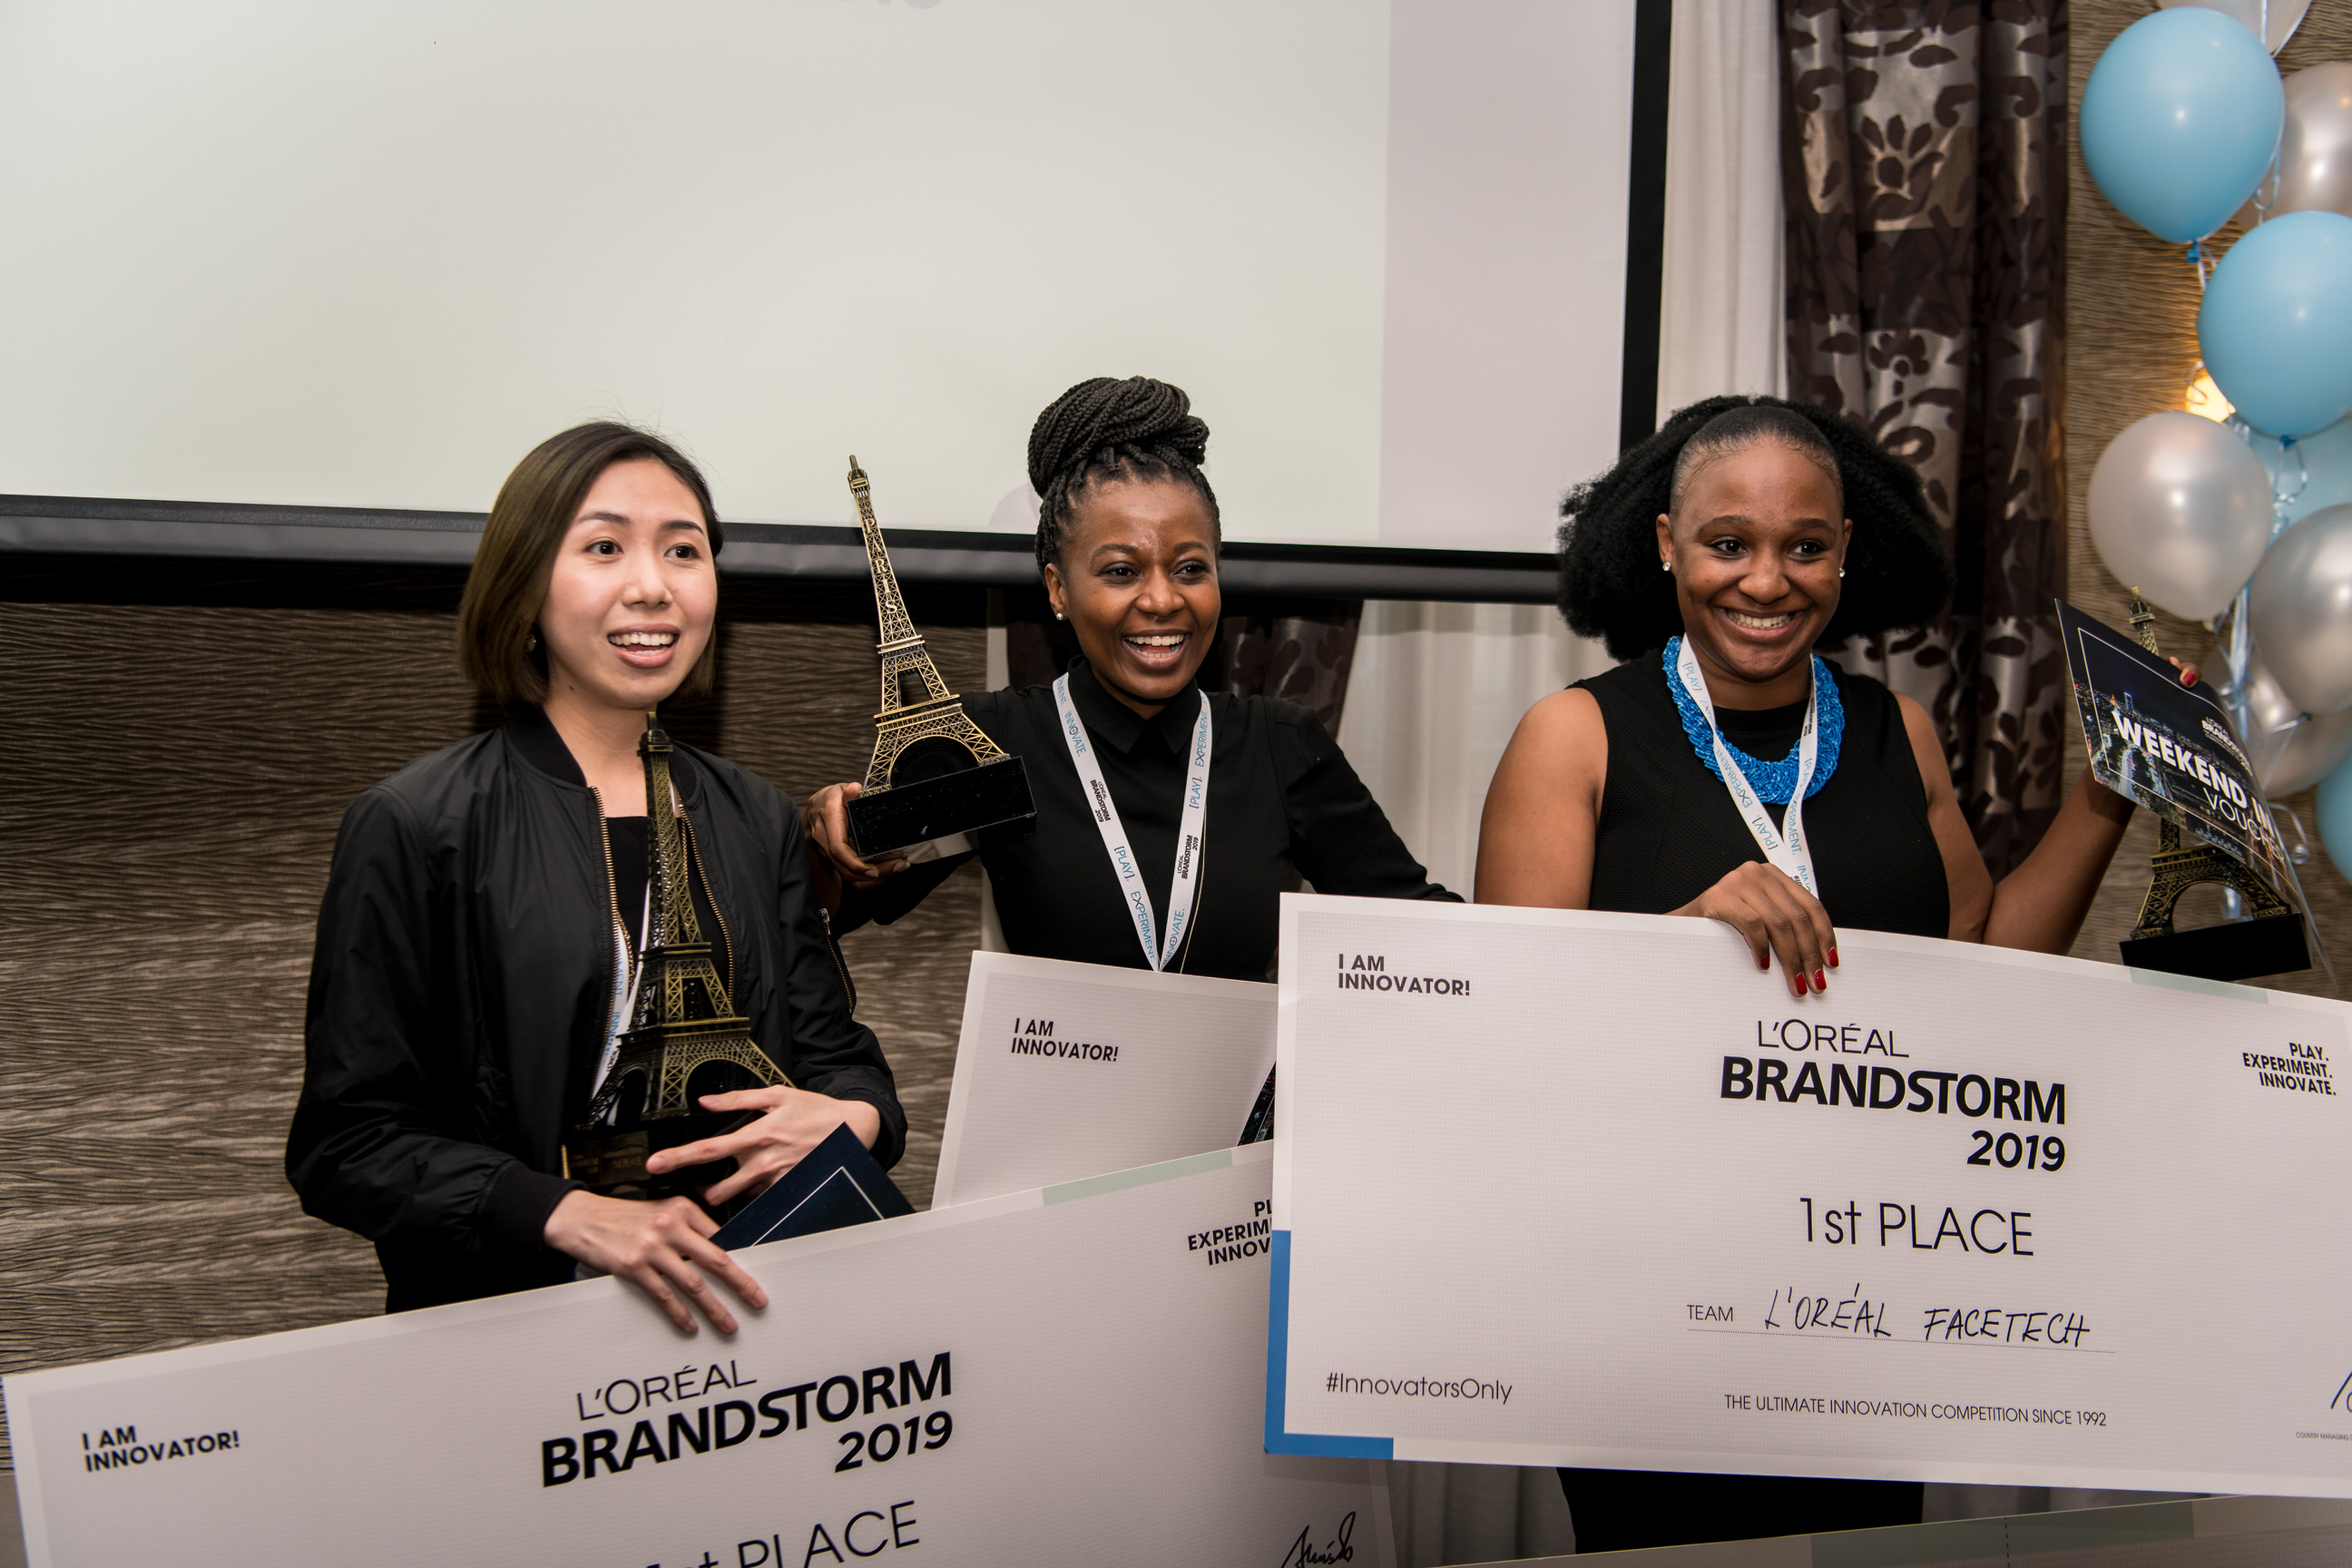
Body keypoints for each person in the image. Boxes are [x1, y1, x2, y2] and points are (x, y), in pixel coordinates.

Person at [1475, 397, 2172, 1550]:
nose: (1767, 580)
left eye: (1804, 546)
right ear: (1667, 546)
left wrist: (2109, 791)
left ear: (1846, 549)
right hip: (1647, 1298)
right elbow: (1507, 1031)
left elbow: (1986, 972)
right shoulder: (1576, 736)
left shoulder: (1900, 730)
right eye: (1727, 543)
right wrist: (1683, 935)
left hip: (1867, 1293)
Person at [288, 423, 906, 1336]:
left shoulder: (757, 816)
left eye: (683, 550)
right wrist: (559, 1211)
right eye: (604, 547)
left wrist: (854, 1118)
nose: (652, 585)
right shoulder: (416, 823)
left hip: (753, 1315)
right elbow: (346, 1144)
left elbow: (837, 1057)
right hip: (510, 1337)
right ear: (525, 584)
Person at [802, 375, 1453, 982]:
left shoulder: (1278, 745)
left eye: (1191, 569)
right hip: (1061, 1070)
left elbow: (1427, 930)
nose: (1163, 599)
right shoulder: (996, 742)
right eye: (1121, 571)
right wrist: (823, 839)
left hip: (1229, 1074)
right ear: (1058, 589)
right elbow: (836, 906)